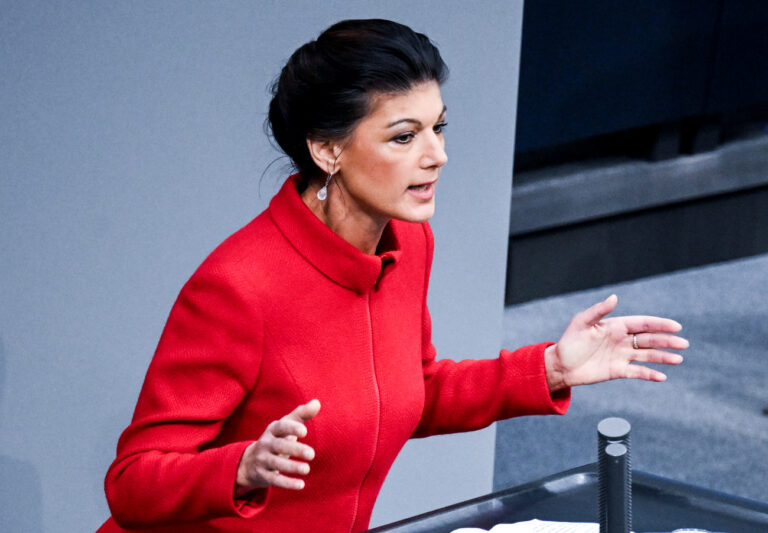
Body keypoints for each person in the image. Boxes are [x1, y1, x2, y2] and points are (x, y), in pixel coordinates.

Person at [97, 19, 688, 533]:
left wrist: (550, 369)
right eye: (404, 137)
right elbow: (131, 482)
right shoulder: (239, 288)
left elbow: (410, 392)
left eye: (439, 128)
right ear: (328, 150)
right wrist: (244, 466)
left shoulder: (407, 243)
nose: (437, 155)